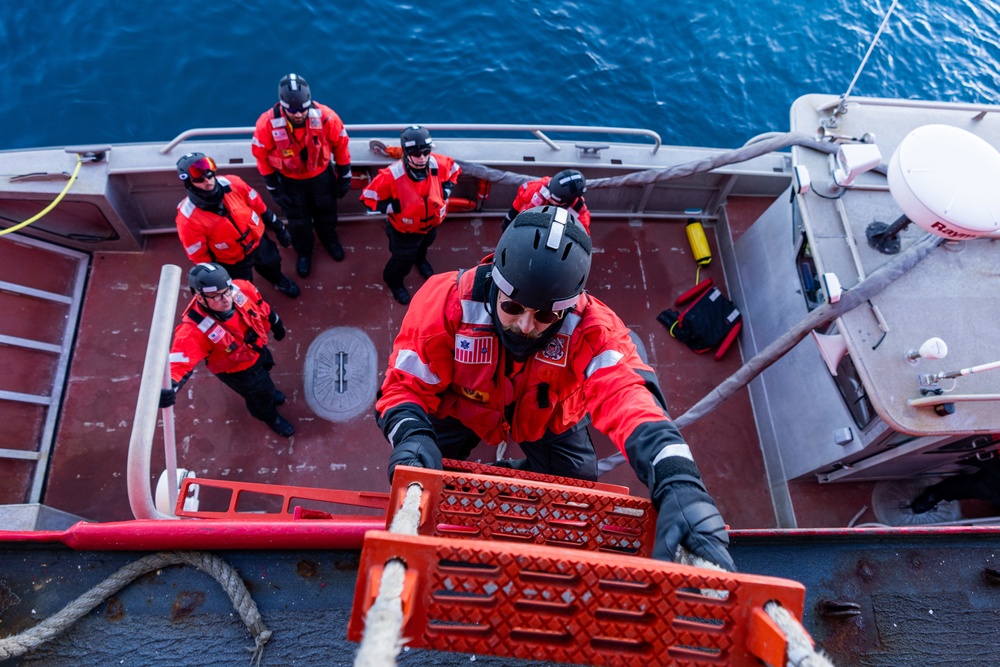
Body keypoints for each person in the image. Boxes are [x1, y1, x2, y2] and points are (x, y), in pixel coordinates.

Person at [375, 205, 734, 570]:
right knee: (425, 464)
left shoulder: (594, 329)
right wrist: (411, 436)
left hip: (549, 417)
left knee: (575, 488)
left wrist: (679, 480)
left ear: (566, 308)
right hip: (462, 409)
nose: (526, 326)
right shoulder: (445, 304)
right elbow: (403, 388)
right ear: (495, 282)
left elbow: (628, 394)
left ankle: (510, 472)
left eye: (545, 315)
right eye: (513, 306)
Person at [159, 263, 294, 437]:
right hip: (239, 372)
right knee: (259, 397)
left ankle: (270, 393)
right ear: (200, 298)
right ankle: (270, 416)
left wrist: (276, 322)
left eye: (227, 291)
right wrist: (167, 388)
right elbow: (178, 363)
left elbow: (261, 307)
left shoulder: (242, 288)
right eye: (216, 296)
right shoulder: (192, 331)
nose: (226, 299)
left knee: (265, 376)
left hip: (259, 351)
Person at [251, 73, 352, 278]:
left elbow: (341, 147)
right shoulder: (266, 125)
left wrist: (344, 177)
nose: (298, 114)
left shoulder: (327, 118)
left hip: (322, 179)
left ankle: (330, 240)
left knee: (327, 213)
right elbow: (261, 158)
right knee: (298, 222)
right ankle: (304, 252)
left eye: (302, 109)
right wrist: (274, 188)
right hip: (290, 183)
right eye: (292, 110)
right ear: (283, 106)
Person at [174, 153, 299, 299]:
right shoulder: (187, 219)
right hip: (231, 260)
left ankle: (278, 279)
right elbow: (198, 254)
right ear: (188, 182)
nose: (207, 180)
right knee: (242, 286)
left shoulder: (234, 183)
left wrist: (279, 228)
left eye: (209, 172)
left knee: (272, 263)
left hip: (259, 243)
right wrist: (215, 273)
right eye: (198, 177)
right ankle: (251, 299)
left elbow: (259, 206)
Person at [360, 125, 462, 305]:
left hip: (430, 226)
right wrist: (394, 207)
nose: (422, 158)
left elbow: (454, 170)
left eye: (426, 152)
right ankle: (394, 281)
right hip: (404, 231)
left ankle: (420, 260)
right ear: (406, 153)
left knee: (424, 246)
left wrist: (446, 190)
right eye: (416, 154)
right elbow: (368, 198)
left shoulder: (438, 164)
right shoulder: (391, 176)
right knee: (401, 260)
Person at [500, 169, 591, 233]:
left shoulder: (579, 214)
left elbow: (583, 236)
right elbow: (521, 197)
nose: (549, 197)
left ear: (565, 202)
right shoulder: (538, 187)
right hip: (526, 225)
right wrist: (509, 219)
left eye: (554, 198)